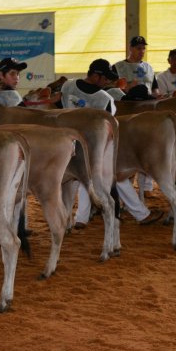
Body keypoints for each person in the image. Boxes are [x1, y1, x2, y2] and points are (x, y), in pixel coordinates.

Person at [60, 59, 119, 229]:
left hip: (66, 143)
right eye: (105, 77)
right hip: (88, 146)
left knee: (69, 183)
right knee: (89, 180)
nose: (107, 81)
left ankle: (74, 219)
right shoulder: (105, 99)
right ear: (95, 75)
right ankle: (77, 218)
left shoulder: (67, 87)